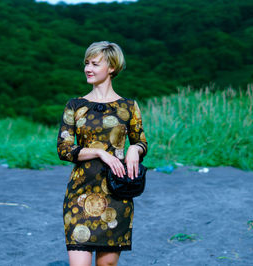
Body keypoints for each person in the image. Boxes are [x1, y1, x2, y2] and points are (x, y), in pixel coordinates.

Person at [56, 41, 148, 266]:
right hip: (80, 194)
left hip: (116, 194)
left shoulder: (128, 106)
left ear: (112, 68)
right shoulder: (75, 105)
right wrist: (100, 153)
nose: (88, 68)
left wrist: (135, 149)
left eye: (95, 64)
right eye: (86, 63)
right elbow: (64, 149)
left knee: (107, 265)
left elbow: (141, 141)